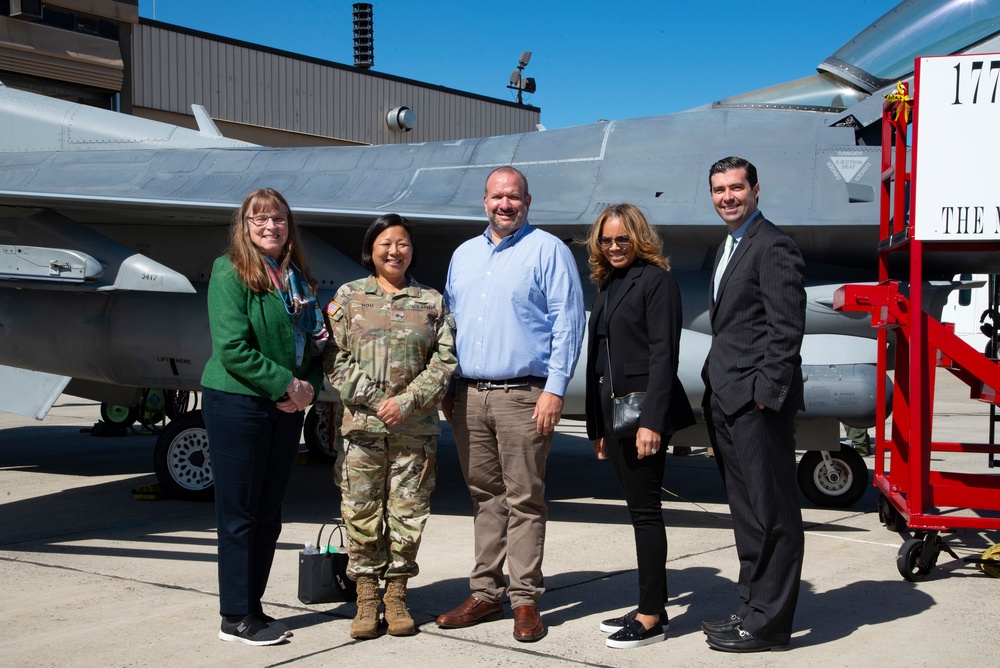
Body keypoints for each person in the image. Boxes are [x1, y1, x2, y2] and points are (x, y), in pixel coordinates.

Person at [435, 166, 585, 643]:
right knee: (485, 498)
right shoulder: (463, 255)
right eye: (498, 197)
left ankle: (525, 601)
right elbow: (449, 325)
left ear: (528, 201)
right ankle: (484, 594)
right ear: (485, 202)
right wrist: (447, 386)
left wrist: (555, 388)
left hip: (525, 395)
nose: (505, 204)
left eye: (514, 197)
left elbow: (568, 322)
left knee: (524, 499)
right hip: (469, 394)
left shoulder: (549, 251)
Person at [201, 188, 327, 646]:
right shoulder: (230, 271)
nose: (270, 227)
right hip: (238, 402)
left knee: (268, 514)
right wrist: (287, 385)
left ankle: (252, 607)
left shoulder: (294, 277)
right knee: (239, 515)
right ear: (245, 226)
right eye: (259, 220)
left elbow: (313, 342)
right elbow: (231, 348)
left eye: (277, 219)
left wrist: (307, 386)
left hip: (285, 407)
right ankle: (233, 616)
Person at [325, 214, 457, 639]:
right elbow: (334, 360)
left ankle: (397, 596)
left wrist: (407, 402)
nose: (394, 251)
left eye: (402, 243)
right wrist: (379, 402)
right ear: (371, 249)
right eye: (386, 243)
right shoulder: (348, 298)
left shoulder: (431, 301)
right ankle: (366, 598)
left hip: (414, 431)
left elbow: (445, 361)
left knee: (408, 514)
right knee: (361, 512)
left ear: (411, 251)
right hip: (363, 429)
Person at [701, 157, 806, 652]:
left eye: (736, 188)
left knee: (773, 514)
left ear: (756, 190)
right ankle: (752, 607)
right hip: (727, 399)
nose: (727, 197)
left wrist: (765, 398)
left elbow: (786, 331)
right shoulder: (729, 245)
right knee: (746, 514)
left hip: (755, 404)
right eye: (719, 189)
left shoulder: (773, 244)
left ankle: (769, 626)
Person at [583, 204, 695, 649]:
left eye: (622, 239)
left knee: (646, 514)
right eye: (606, 240)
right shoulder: (609, 284)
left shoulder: (657, 281)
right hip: (615, 418)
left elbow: (664, 355)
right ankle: (651, 604)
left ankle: (651, 617)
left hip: (641, 417)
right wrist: (596, 428)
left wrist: (652, 421)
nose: (613, 247)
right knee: (638, 512)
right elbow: (600, 362)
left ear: (639, 239)